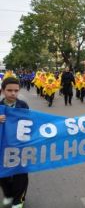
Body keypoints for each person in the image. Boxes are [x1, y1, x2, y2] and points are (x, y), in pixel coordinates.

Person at [0, 77, 29, 208]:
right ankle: (8, 195)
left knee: (20, 174)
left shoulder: (23, 105)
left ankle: (18, 199)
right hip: (2, 148)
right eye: (9, 90)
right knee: (3, 174)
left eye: (16, 90)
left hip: (20, 147)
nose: (13, 93)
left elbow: (30, 123)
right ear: (2, 91)